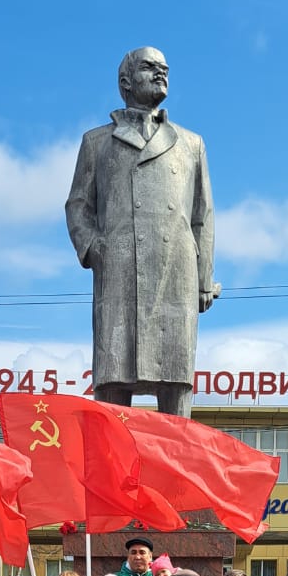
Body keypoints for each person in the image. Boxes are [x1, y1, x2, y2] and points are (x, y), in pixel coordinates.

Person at [66, 46, 215, 418]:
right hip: (119, 270)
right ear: (125, 82)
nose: (161, 73)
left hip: (175, 272)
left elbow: (202, 216)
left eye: (165, 68)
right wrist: (95, 248)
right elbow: (78, 205)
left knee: (175, 379)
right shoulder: (97, 142)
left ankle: (177, 457)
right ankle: (109, 458)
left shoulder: (191, 144)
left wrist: (202, 280)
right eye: (150, 67)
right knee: (114, 377)